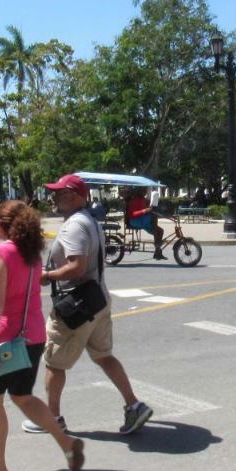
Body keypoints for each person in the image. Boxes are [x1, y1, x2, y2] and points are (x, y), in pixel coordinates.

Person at [23, 174, 153, 435]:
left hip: (76, 307)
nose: (54, 197)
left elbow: (76, 266)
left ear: (74, 196)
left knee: (54, 364)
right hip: (97, 301)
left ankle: (53, 418)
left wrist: (47, 276)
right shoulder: (90, 221)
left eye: (59, 193)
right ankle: (134, 405)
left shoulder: (74, 226)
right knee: (104, 356)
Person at [0, 200, 84, 471]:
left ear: (3, 225)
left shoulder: (0, 253)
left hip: (5, 340)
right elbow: (18, 297)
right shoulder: (31, 254)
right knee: (22, 396)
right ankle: (66, 443)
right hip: (31, 335)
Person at [124, 186, 166, 259]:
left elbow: (150, 207)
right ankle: (158, 248)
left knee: (160, 231)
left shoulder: (143, 199)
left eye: (145, 190)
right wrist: (144, 211)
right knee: (153, 218)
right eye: (143, 190)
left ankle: (158, 252)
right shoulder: (134, 200)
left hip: (143, 221)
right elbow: (132, 214)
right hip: (134, 221)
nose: (145, 192)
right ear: (138, 191)